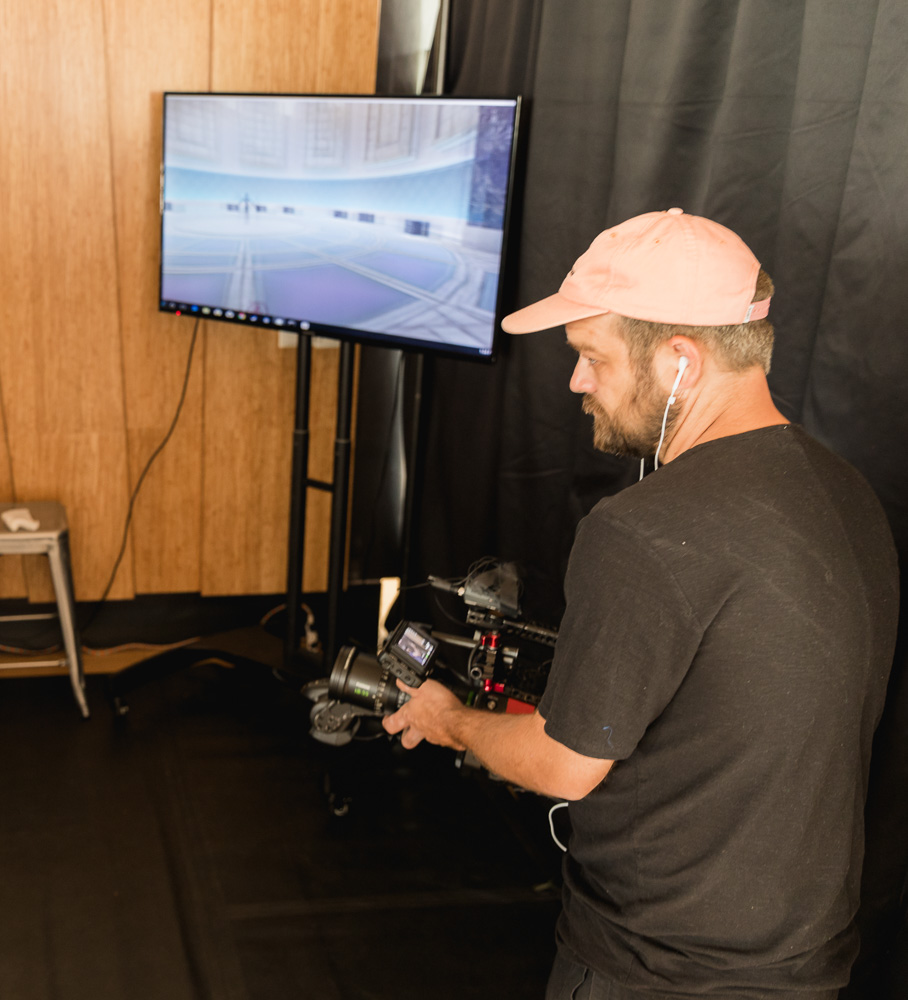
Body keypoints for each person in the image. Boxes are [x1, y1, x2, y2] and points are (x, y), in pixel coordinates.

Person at [383, 208, 899, 999]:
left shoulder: (641, 530)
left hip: (656, 972)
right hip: (805, 966)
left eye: (593, 356)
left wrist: (449, 719)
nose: (576, 381)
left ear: (680, 360)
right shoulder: (848, 493)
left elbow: (563, 765)